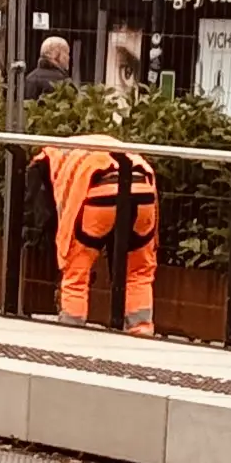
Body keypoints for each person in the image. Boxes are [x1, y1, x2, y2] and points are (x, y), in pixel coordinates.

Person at [43, 134, 161, 334]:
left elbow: (46, 207)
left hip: (99, 199)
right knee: (138, 271)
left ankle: (71, 328)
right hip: (143, 194)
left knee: (76, 272)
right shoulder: (113, 149)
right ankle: (141, 328)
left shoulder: (54, 157)